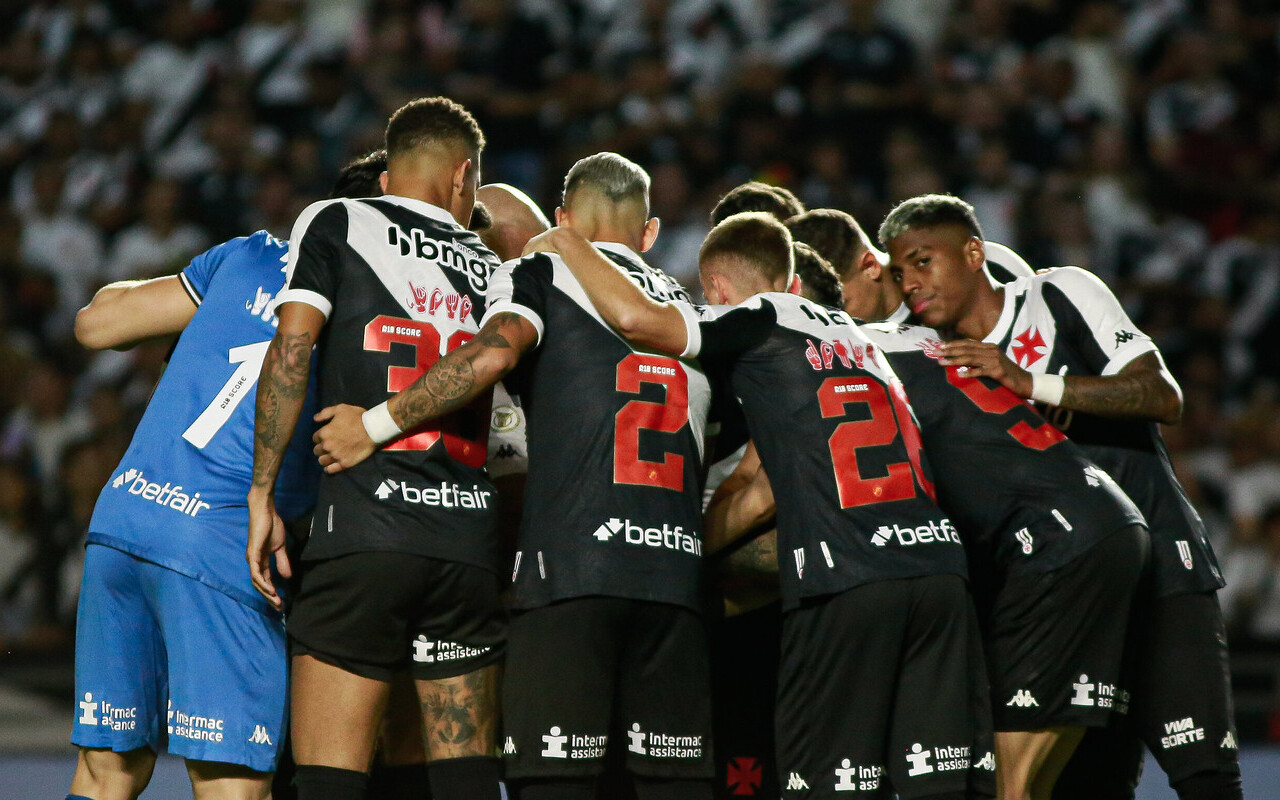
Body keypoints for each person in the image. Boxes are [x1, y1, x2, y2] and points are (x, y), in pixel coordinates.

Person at [528, 211, 994, 800]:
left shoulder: (762, 317)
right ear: (796, 278)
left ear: (717, 291)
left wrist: (567, 241)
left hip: (845, 578)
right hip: (940, 574)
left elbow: (637, 319)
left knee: (825, 783)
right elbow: (766, 477)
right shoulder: (862, 337)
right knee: (944, 784)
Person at [312, 151, 717, 800]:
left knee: (551, 780)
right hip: (675, 580)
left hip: (567, 574)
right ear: (650, 233)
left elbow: (493, 352)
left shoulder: (538, 273)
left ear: (560, 222)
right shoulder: (692, 315)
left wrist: (374, 425)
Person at [879, 194, 1240, 800]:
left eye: (922, 261)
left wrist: (1029, 382)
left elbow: (1161, 395)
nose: (910, 283)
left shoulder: (1061, 292)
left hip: (1158, 561)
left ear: (973, 252)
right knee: (1088, 787)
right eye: (898, 273)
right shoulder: (919, 353)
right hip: (1060, 586)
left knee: (1206, 775)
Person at [65, 151, 387, 800]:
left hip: (125, 520)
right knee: (232, 787)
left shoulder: (244, 256)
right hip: (220, 548)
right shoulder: (371, 302)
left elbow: (96, 324)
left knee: (107, 772)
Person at [249, 97, 504, 800]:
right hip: (464, 542)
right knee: (465, 780)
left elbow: (293, 348)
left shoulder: (340, 218)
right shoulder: (496, 269)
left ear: (389, 174)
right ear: (461, 178)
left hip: (363, 532)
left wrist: (262, 490)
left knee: (330, 779)